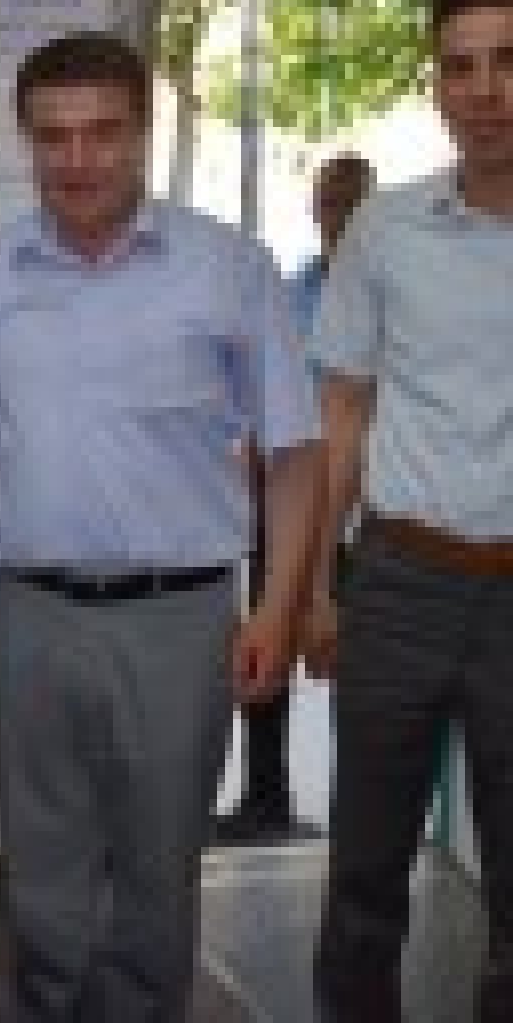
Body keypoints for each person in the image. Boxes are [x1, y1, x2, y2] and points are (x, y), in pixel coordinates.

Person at [0, 31, 323, 1023]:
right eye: (54, 137)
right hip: (21, 614)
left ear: (144, 135)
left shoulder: (231, 270)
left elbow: (294, 456)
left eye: (103, 133)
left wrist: (276, 609)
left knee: (159, 870)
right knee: (40, 867)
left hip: (179, 621)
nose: (79, 160)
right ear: (26, 141)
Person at [306, 0, 513, 1023]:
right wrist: (317, 585)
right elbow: (341, 413)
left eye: (508, 62)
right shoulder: (386, 230)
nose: (485, 91)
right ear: (437, 85)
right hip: (400, 581)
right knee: (365, 874)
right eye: (460, 67)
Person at [217, 151, 374, 844]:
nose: (334, 215)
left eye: (347, 202)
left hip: (360, 512)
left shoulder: (382, 288)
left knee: (356, 666)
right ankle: (265, 798)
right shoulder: (295, 286)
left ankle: (357, 812)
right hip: (284, 500)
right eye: (327, 202)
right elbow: (264, 385)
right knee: (268, 638)